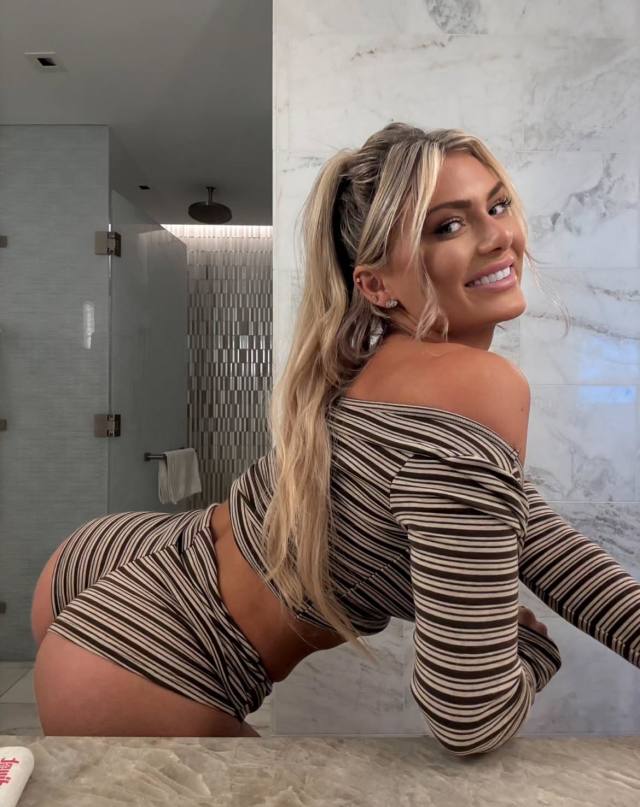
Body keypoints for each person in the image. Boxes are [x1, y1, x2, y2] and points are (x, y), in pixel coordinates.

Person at [31, 122, 640, 756]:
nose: (498, 237)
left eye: (498, 204)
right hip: (150, 653)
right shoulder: (479, 383)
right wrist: (534, 650)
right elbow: (471, 716)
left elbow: (548, 548)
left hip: (117, 559)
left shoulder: (367, 370)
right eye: (448, 226)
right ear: (376, 285)